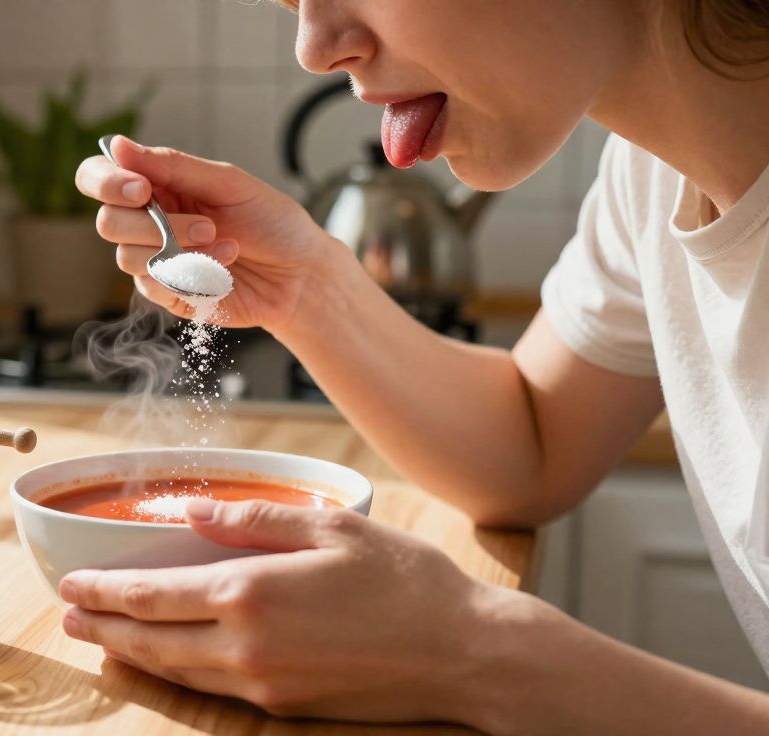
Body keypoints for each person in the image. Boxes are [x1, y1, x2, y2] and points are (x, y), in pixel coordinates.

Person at [66, 1, 769, 732]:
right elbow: (530, 447)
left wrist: (476, 654)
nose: (313, 48)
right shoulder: (651, 179)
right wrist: (305, 288)